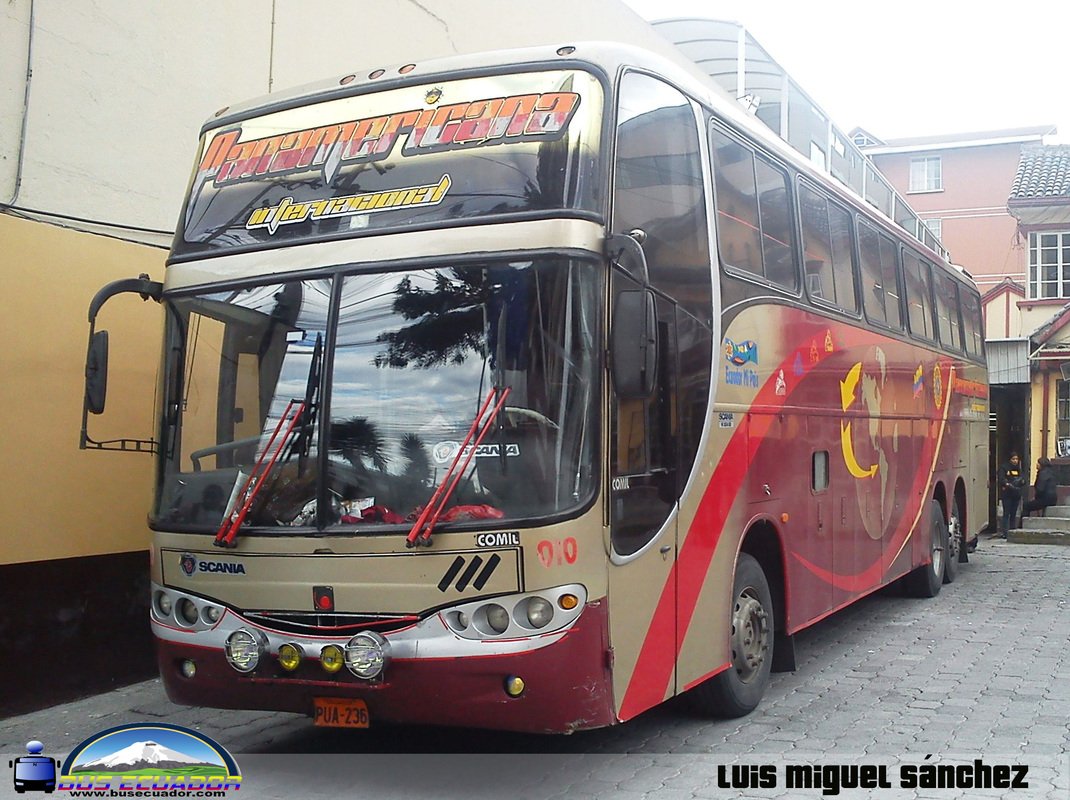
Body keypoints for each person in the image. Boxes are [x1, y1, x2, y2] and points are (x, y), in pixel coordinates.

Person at [997, 452, 1026, 538]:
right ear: (1010, 459)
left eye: (1016, 459)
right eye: (1013, 459)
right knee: (1006, 513)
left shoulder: (1019, 469)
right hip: (1007, 494)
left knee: (1013, 513)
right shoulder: (1004, 467)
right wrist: (1007, 484)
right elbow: (1001, 479)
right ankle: (1005, 532)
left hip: (1016, 494)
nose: (1015, 461)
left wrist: (1021, 482)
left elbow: (1023, 479)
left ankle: (1012, 530)